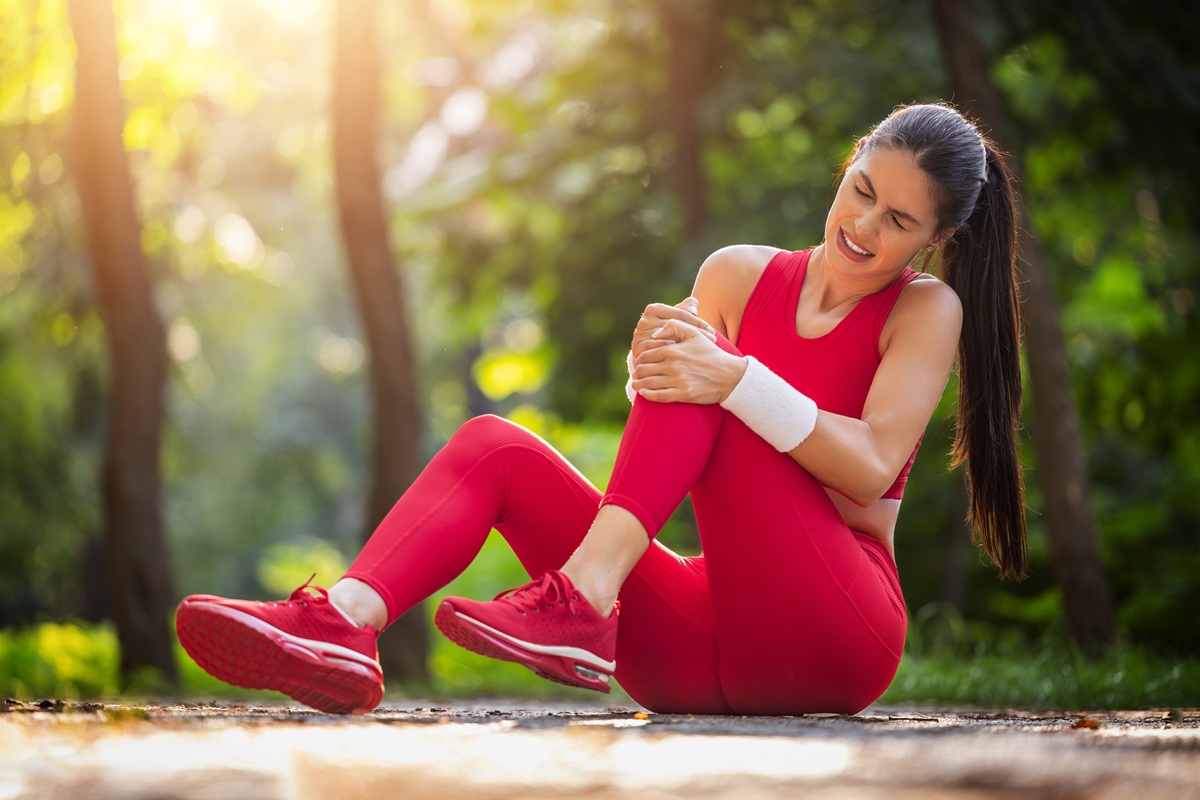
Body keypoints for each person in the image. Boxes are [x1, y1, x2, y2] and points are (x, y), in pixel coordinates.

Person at [175, 102, 1027, 716]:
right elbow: (682, 434)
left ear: (933, 239)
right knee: (494, 445)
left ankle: (584, 599)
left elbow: (873, 464)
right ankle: (347, 623)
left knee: (710, 369)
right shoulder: (739, 274)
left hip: (836, 633)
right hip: (698, 655)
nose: (866, 223)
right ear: (847, 165)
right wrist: (649, 371)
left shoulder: (925, 311)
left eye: (899, 217)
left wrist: (730, 379)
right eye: (861, 188)